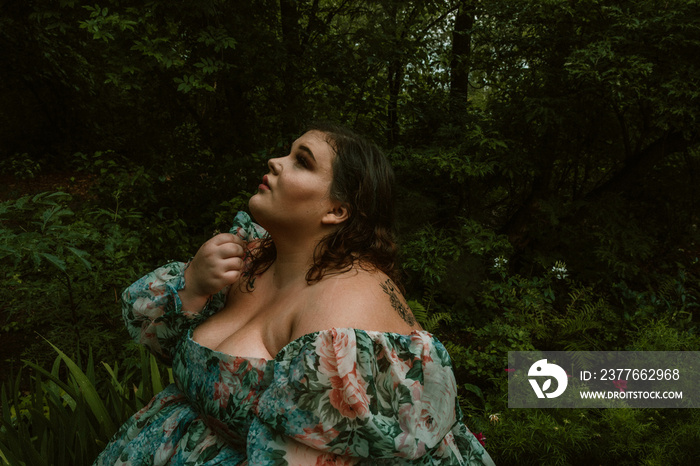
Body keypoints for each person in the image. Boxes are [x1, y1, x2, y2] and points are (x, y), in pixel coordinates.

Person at [93, 123, 495, 465]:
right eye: (288, 153)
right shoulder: (253, 254)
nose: (275, 161)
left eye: (301, 160)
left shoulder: (346, 307)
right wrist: (194, 285)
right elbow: (156, 333)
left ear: (337, 210)